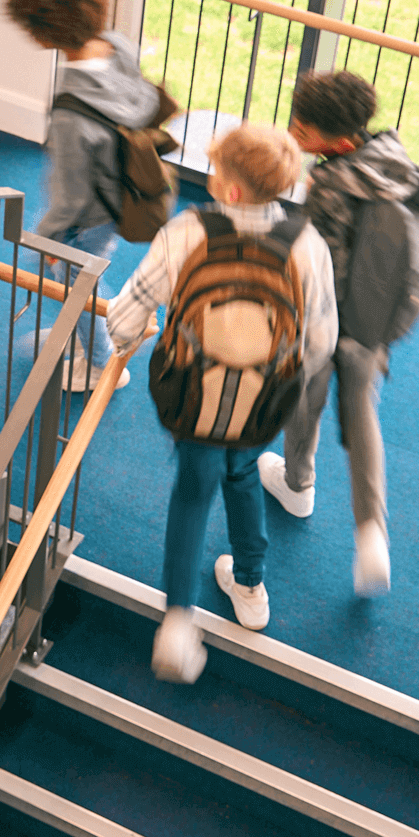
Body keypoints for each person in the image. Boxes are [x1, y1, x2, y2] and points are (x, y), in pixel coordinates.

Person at [106, 123, 336, 683]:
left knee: (192, 494)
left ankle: (178, 621)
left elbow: (127, 313)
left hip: (194, 402)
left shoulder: (187, 231)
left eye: (216, 172)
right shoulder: (308, 244)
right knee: (244, 475)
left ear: (230, 190)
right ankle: (251, 586)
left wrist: (121, 338)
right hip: (262, 406)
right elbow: (321, 341)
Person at [260, 71, 419, 597]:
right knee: (360, 413)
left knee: (306, 398)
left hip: (328, 318)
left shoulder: (330, 184)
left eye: (299, 127)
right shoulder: (392, 158)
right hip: (374, 322)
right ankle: (372, 532)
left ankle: (298, 483)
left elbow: (315, 256)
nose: (291, 130)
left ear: (332, 141)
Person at [4, 0, 166, 392]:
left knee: (75, 285)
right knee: (84, 273)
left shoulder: (71, 113)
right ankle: (90, 341)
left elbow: (70, 197)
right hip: (123, 192)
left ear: (43, 30)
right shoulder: (119, 47)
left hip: (90, 214)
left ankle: (99, 365)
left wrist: (45, 240)